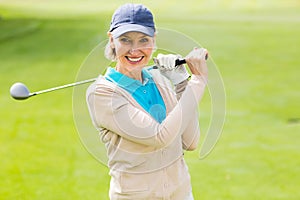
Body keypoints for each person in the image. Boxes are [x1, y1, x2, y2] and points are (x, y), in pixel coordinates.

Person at [86, 3, 208, 200]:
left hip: (181, 194)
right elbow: (160, 137)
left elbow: (190, 141)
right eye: (125, 40)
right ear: (112, 41)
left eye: (144, 40)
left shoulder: (160, 79)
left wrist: (181, 83)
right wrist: (198, 82)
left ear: (154, 40)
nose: (135, 50)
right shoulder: (102, 94)